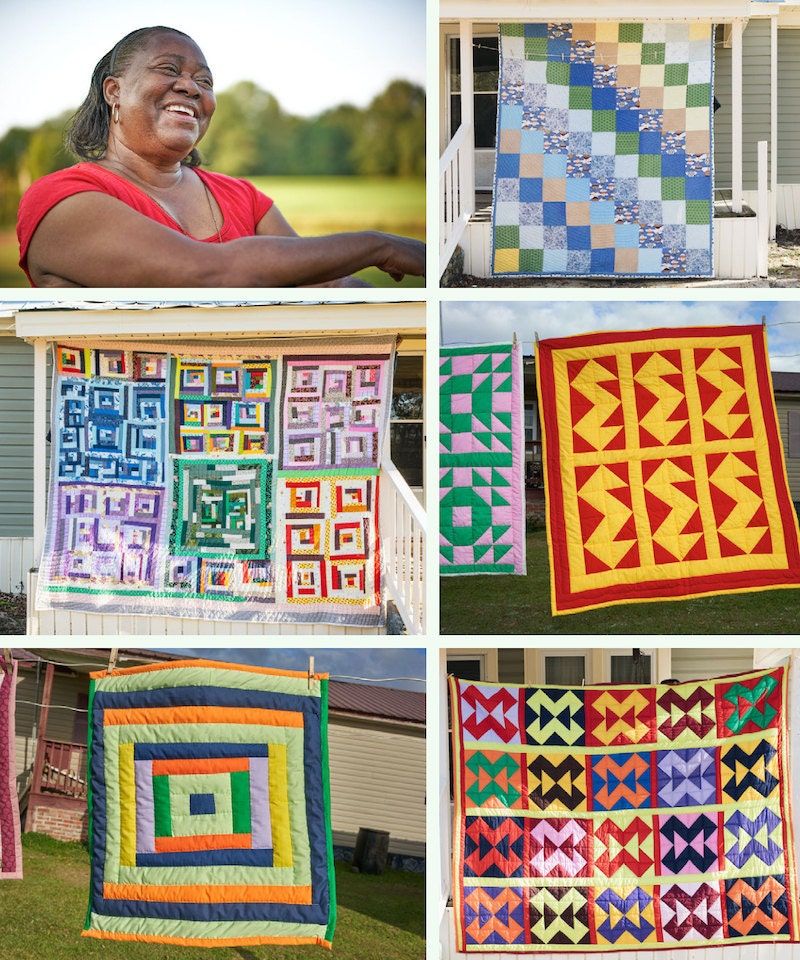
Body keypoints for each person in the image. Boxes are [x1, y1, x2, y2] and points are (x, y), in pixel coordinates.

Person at [17, 26, 425, 288]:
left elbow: (326, 284)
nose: (190, 88)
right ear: (114, 92)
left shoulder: (243, 197)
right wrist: (379, 245)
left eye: (204, 81)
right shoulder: (61, 198)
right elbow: (210, 273)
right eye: (168, 69)